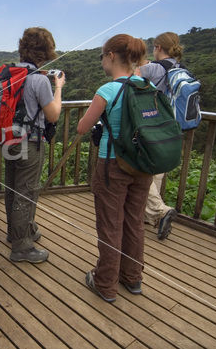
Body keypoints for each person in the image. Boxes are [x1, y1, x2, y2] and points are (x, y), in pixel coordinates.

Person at [77, 34, 153, 302]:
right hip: (143, 164)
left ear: (111, 56)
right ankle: (132, 279)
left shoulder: (108, 90)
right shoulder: (146, 85)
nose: (102, 62)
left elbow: (82, 127)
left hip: (113, 164)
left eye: (102, 57)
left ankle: (105, 283)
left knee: (111, 225)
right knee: (134, 221)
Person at [5, 27, 65, 263]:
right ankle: (21, 247)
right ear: (46, 50)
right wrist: (58, 88)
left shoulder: (11, 75)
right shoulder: (39, 80)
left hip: (7, 140)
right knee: (26, 193)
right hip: (29, 143)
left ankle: (17, 233)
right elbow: (53, 115)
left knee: (12, 189)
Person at [137, 32, 182, 240]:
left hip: (153, 125)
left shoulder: (154, 68)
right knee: (158, 171)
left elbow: (130, 77)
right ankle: (149, 216)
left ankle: (160, 211)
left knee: (142, 170)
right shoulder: (179, 69)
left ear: (157, 47)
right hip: (172, 127)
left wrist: (140, 63)